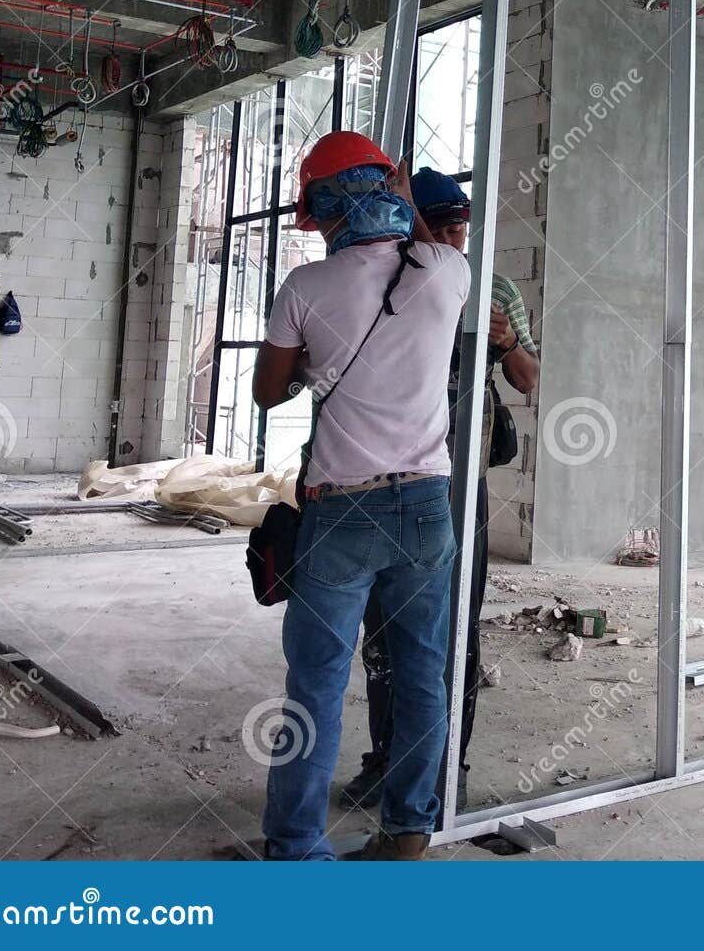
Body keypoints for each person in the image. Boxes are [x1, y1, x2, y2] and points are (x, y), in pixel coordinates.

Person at [253, 132, 470, 862]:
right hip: (428, 508)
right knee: (419, 672)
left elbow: (266, 391)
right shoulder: (448, 271)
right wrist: (406, 200)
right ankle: (409, 829)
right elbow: (414, 248)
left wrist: (314, 359)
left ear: (320, 213)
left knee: (316, 683)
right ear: (391, 194)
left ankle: (296, 847)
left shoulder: (304, 290)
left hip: (343, 509)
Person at [340, 166, 538, 812]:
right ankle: (384, 761)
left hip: (458, 481)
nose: (455, 237)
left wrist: (506, 343)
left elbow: (532, 379)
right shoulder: (382, 278)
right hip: (380, 475)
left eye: (461, 225)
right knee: (383, 629)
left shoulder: (493, 287)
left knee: (454, 627)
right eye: (442, 224)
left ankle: (445, 768)